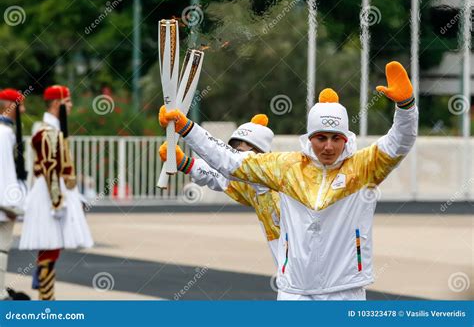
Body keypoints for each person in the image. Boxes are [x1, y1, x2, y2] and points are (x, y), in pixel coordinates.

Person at [159, 61, 418, 300]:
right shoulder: (285, 168)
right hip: (294, 291)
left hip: (345, 291)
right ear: (309, 137)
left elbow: (400, 142)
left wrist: (406, 108)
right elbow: (230, 162)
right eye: (321, 138)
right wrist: (187, 129)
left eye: (335, 138)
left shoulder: (363, 168)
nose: (328, 146)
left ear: (346, 139)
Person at [159, 114, 281, 263]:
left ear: (261, 153)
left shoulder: (276, 178)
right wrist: (185, 163)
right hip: (290, 273)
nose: (235, 155)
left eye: (241, 152)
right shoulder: (250, 185)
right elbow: (219, 176)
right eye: (233, 150)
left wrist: (186, 127)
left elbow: (227, 162)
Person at [20, 85, 93, 300]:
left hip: (55, 192)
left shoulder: (50, 129)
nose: (70, 106)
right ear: (55, 104)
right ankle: (46, 299)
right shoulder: (47, 132)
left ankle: (46, 297)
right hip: (50, 194)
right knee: (49, 247)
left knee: (51, 247)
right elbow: (50, 168)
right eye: (67, 102)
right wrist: (56, 201)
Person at [0, 88, 30, 300]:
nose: (25, 109)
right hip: (2, 206)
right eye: (21, 105)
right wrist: (10, 204)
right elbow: (5, 172)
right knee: (2, 249)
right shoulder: (5, 133)